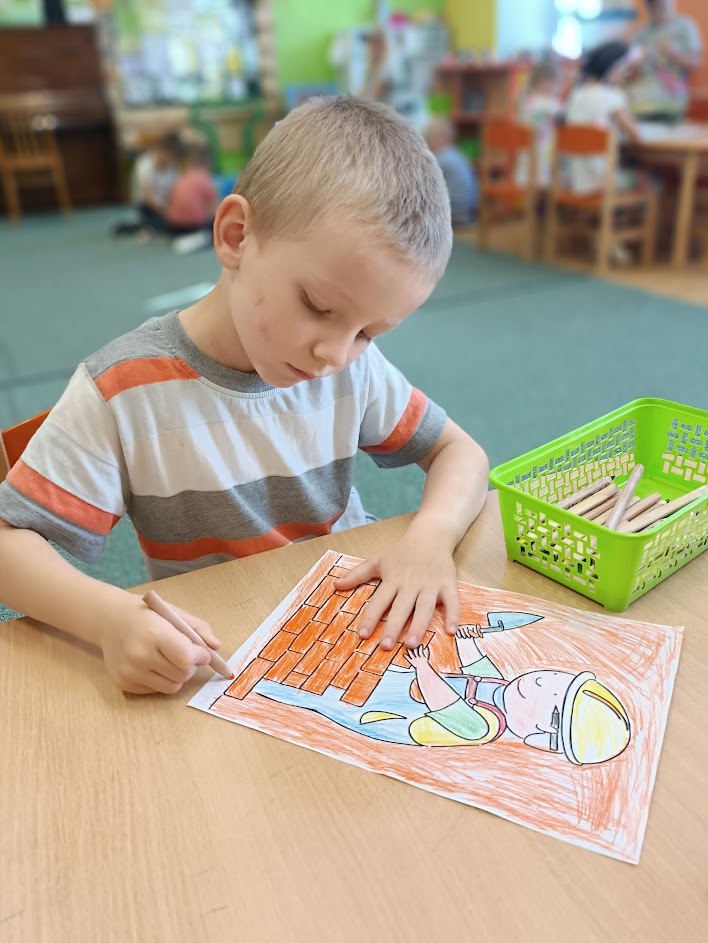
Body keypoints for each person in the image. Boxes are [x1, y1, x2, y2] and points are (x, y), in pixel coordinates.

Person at [0, 97, 489, 696]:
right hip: (221, 656)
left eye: (369, 332)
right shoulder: (124, 389)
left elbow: (461, 453)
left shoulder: (355, 371)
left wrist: (432, 536)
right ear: (236, 236)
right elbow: (8, 544)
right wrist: (109, 619)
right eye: (318, 307)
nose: (335, 354)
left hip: (346, 624)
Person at [565, 41, 643, 196]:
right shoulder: (612, 97)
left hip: (575, 179)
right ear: (614, 69)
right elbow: (636, 135)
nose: (626, 75)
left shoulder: (576, 94)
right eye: (624, 69)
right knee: (650, 180)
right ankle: (617, 211)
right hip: (602, 180)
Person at [623, 0, 702, 122]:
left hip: (671, 94)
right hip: (642, 91)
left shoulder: (685, 26)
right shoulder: (643, 32)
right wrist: (635, 63)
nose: (657, 10)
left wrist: (672, 54)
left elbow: (695, 63)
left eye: (660, 6)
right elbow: (629, 68)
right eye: (652, 6)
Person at [112, 131, 184, 237]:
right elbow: (149, 197)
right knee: (168, 224)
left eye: (175, 158)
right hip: (148, 206)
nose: (173, 160)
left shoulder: (173, 167)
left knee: (179, 222)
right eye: (171, 156)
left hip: (166, 205)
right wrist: (167, 213)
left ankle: (146, 224)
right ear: (162, 150)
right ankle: (130, 226)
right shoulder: (144, 164)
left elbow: (176, 191)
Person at [516, 59, 563, 187]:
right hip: (541, 150)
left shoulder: (528, 101)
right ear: (547, 83)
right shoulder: (546, 102)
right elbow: (562, 118)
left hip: (528, 151)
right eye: (556, 84)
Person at [424, 117, 478, 227]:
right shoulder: (457, 154)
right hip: (467, 212)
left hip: (454, 213)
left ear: (441, 138)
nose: (428, 143)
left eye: (429, 138)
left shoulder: (441, 158)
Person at [167, 143, 218, 254]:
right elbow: (214, 210)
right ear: (208, 162)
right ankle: (202, 237)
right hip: (194, 226)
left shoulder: (181, 178)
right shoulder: (205, 179)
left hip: (174, 227)